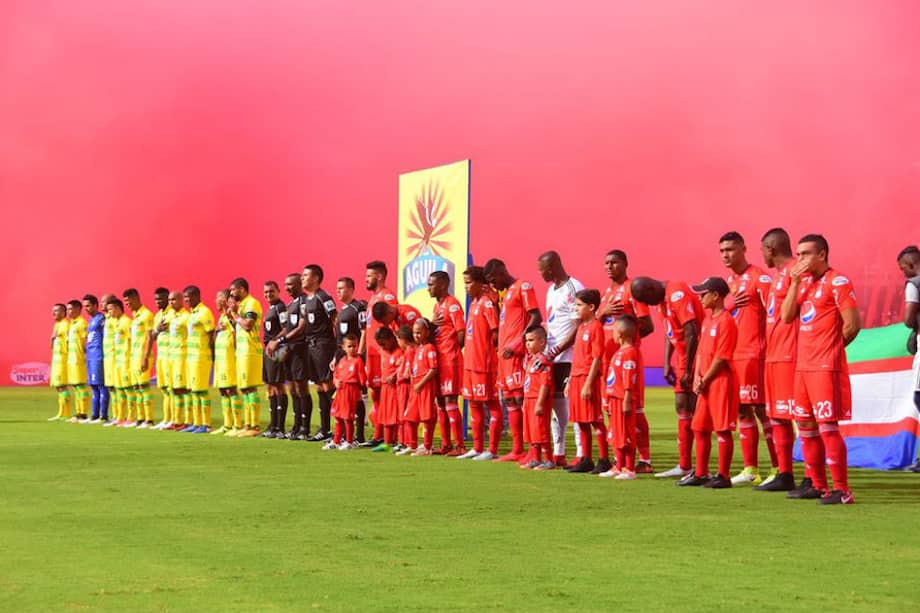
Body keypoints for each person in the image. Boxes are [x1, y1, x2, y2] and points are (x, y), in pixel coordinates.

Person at [781, 234, 861, 505]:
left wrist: (833, 351)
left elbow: (852, 324)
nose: (799, 259)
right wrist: (793, 282)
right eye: (798, 254)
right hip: (803, 367)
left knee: (828, 426)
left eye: (805, 254)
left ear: (822, 255)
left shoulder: (837, 281)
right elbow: (786, 315)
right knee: (805, 425)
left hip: (825, 367)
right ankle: (818, 485)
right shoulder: (804, 284)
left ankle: (842, 490)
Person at [717, 232, 777, 485]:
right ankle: (751, 468)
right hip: (735, 356)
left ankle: (778, 468)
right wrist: (727, 305)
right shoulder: (730, 282)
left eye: (730, 249)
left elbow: (775, 316)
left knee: (764, 411)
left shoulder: (760, 278)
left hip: (755, 354)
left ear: (744, 248)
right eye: (722, 251)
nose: (726, 255)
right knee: (742, 410)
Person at [631, 276, 703, 479]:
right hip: (682, 359)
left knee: (699, 409)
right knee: (682, 406)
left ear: (652, 288)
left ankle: (700, 467)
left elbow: (691, 331)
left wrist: (689, 369)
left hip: (697, 357)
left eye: (647, 299)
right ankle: (685, 465)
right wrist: (666, 362)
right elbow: (669, 330)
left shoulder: (677, 293)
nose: (648, 304)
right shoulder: (662, 300)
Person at [679, 277, 739, 489]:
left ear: (716, 296)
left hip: (720, 381)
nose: (700, 298)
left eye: (704, 294)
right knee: (699, 427)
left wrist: (705, 379)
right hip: (704, 382)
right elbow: (702, 353)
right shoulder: (707, 321)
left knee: (722, 429)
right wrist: (697, 377)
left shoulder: (726, 321)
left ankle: (723, 475)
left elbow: (722, 357)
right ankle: (702, 472)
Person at [754, 228, 802, 491]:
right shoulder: (778, 277)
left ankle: (810, 477)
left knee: (800, 416)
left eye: (762, 250)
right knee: (777, 415)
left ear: (771, 249)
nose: (762, 255)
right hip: (774, 355)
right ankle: (785, 473)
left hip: (790, 355)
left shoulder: (797, 271)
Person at [598, 249, 655, 472]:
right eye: (606, 263)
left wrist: (628, 345)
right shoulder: (607, 294)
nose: (609, 267)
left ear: (625, 264)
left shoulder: (633, 289)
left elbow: (647, 325)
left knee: (634, 411)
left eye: (614, 262)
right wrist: (602, 313)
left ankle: (644, 460)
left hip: (627, 363)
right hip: (607, 362)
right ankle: (619, 458)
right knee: (612, 410)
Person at [484, 258, 542, 463]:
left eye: (493, 279)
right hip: (504, 356)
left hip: (517, 355)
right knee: (509, 400)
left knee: (521, 399)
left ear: (502, 271)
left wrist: (518, 344)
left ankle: (534, 450)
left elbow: (536, 317)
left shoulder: (522, 287)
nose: (493, 284)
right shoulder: (504, 294)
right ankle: (517, 449)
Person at [536, 250, 585, 466]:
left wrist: (557, 350)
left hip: (569, 356)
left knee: (572, 405)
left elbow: (578, 325)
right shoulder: (550, 290)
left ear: (554, 266)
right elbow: (553, 322)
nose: (541, 274)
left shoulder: (574, 287)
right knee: (556, 405)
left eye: (543, 270)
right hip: (552, 356)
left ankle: (581, 452)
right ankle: (559, 452)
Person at [565, 289, 611, 474]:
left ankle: (604, 458)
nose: (576, 308)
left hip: (586, 378)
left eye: (579, 305)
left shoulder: (595, 327)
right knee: (580, 420)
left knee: (595, 419)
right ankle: (586, 459)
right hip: (576, 377)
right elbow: (577, 356)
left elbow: (597, 358)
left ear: (591, 307)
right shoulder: (582, 327)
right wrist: (569, 381)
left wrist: (588, 384)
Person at [457, 266, 500, 460]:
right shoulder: (474, 303)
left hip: (484, 364)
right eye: (464, 283)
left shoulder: (487, 304)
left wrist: (492, 356)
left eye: (468, 282)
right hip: (470, 363)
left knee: (491, 404)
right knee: (473, 404)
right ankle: (477, 447)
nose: (465, 287)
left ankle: (491, 450)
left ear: (480, 284)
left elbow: (496, 333)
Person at [427, 271, 466, 455]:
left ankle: (459, 445)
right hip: (439, 359)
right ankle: (445, 444)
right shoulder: (438, 307)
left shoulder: (452, 305)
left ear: (443, 284)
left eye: (432, 284)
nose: (429, 288)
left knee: (450, 400)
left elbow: (461, 333)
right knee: (440, 401)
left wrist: (451, 349)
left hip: (450, 359)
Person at [359, 261, 398, 447]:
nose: (366, 279)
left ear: (380, 276)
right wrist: (361, 353)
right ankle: (379, 433)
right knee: (376, 394)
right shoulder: (373, 299)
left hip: (383, 355)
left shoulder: (387, 296)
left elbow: (393, 322)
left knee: (385, 394)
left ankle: (386, 435)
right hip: (373, 354)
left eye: (369, 276)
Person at [267, 273, 310, 439]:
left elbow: (301, 326)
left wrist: (280, 340)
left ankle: (305, 428)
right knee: (292, 389)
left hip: (300, 349)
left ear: (300, 283)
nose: (287, 288)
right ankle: (296, 426)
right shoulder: (291, 304)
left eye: (290, 284)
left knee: (302, 388)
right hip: (289, 351)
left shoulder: (304, 301)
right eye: (285, 284)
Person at [300, 264, 339, 441]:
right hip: (311, 346)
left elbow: (335, 320)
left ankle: (341, 428)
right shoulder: (307, 300)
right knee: (319, 387)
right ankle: (325, 430)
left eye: (306, 275)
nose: (302, 278)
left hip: (324, 345)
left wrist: (339, 347)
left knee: (328, 385)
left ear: (316, 278)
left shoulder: (324, 297)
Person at [602, 316, 643, 480]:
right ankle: (618, 466)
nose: (611, 333)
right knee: (616, 434)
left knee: (626, 434)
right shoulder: (619, 352)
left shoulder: (630, 353)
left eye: (613, 330)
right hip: (614, 399)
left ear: (620, 333)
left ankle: (629, 468)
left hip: (622, 400)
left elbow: (629, 377)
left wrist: (627, 398)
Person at [229, 277, 264, 437]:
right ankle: (248, 424)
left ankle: (254, 426)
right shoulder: (241, 306)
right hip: (242, 352)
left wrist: (235, 314)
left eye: (233, 290)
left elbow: (248, 325)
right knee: (244, 389)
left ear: (241, 289)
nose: (231, 293)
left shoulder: (252, 304)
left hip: (251, 351)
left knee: (250, 388)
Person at [335, 276, 368, 443]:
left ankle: (359, 435)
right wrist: (337, 358)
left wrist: (359, 355)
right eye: (337, 288)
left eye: (341, 288)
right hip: (344, 358)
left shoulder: (358, 308)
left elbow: (364, 331)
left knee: (358, 396)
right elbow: (340, 339)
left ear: (350, 289)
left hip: (356, 358)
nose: (338, 291)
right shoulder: (343, 310)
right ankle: (342, 435)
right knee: (343, 396)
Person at [897, 245, 920, 472]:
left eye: (903, 268)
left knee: (919, 397)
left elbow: (908, 318)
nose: (902, 273)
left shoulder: (914, 285)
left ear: (911, 264)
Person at [522, 325, 555, 470]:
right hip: (529, 400)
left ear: (542, 342)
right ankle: (536, 458)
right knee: (531, 431)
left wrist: (540, 403)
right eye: (526, 341)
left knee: (541, 430)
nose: (527, 344)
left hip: (538, 400)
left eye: (531, 340)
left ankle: (549, 460)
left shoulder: (543, 360)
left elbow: (544, 384)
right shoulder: (531, 360)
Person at [183, 285, 215, 433]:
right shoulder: (191, 314)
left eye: (188, 297)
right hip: (191, 357)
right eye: (185, 298)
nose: (186, 300)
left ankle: (206, 424)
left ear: (196, 296)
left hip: (201, 357)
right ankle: (196, 423)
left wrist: (212, 355)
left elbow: (211, 335)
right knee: (193, 391)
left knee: (201, 391)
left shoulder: (205, 312)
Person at [257, 280, 287, 438]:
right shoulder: (271, 308)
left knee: (278, 387)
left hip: (277, 351)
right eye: (266, 292)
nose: (268, 294)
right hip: (268, 351)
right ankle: (273, 424)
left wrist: (276, 342)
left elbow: (285, 328)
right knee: (270, 388)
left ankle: (280, 427)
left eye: (271, 291)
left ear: (278, 291)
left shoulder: (281, 307)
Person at [329, 333, 366, 450]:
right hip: (341, 391)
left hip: (351, 391)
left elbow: (363, 379)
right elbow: (335, 374)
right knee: (338, 416)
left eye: (355, 346)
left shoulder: (358, 361)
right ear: (344, 347)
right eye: (350, 346)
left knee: (348, 417)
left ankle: (349, 441)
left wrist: (358, 388)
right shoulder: (342, 360)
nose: (353, 348)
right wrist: (336, 381)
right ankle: (336, 441)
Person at [408, 319, 440, 456]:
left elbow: (433, 369)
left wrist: (421, 383)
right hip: (416, 387)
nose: (416, 336)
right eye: (414, 333)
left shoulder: (430, 348)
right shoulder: (418, 348)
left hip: (425, 387)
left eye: (419, 333)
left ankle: (427, 447)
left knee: (426, 417)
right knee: (411, 416)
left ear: (426, 333)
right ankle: (413, 444)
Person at [124, 288, 154, 428]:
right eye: (125, 302)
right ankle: (140, 418)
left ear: (135, 298)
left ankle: (149, 419)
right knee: (136, 388)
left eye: (128, 301)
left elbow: (149, 337)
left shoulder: (147, 315)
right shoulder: (134, 317)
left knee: (143, 387)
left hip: (142, 356)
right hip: (133, 357)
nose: (127, 304)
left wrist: (146, 357)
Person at [146, 288, 174, 430]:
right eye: (156, 299)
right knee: (163, 389)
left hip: (171, 356)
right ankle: (166, 419)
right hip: (161, 356)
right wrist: (157, 329)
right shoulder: (157, 316)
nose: (158, 302)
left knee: (171, 389)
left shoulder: (172, 314)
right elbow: (153, 336)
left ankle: (174, 419)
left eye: (161, 299)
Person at [211, 290, 239, 435]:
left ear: (226, 299)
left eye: (218, 297)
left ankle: (238, 425)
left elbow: (237, 332)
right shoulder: (222, 317)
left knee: (231, 389)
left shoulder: (230, 315)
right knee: (223, 391)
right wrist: (216, 330)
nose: (216, 300)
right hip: (220, 359)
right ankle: (227, 424)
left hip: (229, 358)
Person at [372, 327, 403, 452]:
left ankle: (400, 441)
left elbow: (405, 365)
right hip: (385, 386)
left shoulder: (400, 351)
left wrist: (395, 375)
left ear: (391, 339)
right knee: (385, 415)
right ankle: (387, 442)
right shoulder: (383, 351)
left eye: (384, 344)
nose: (382, 347)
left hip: (396, 388)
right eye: (380, 345)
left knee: (397, 415)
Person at [165, 291, 191, 430]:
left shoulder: (186, 317)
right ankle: (176, 420)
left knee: (183, 390)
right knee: (174, 390)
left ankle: (186, 421)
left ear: (181, 300)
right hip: (171, 357)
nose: (171, 302)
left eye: (174, 299)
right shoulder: (171, 317)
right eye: (169, 300)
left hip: (182, 356)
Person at [107, 299, 134, 427]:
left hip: (126, 361)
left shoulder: (126, 322)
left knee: (128, 390)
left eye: (111, 309)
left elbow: (133, 341)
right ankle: (120, 417)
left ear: (118, 308)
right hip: (117, 361)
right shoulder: (115, 323)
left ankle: (131, 417)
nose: (109, 312)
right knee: (118, 390)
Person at [83, 294, 108, 423]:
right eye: (84, 306)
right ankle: (94, 415)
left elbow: (106, 338)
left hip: (98, 356)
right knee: (93, 386)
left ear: (95, 305)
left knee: (101, 386)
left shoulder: (101, 319)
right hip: (91, 357)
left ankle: (103, 416)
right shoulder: (91, 321)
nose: (86, 309)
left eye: (88, 306)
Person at [392, 325, 417, 454]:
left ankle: (407, 442)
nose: (398, 343)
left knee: (406, 415)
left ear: (403, 340)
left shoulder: (411, 351)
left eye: (398, 340)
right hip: (401, 386)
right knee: (402, 414)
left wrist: (404, 373)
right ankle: (403, 441)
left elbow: (410, 370)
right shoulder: (407, 352)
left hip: (406, 387)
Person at [65, 300, 90, 422]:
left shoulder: (82, 323)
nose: (68, 311)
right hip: (71, 360)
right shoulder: (72, 324)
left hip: (79, 360)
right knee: (75, 387)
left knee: (80, 386)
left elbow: (86, 342)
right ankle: (78, 412)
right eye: (67, 309)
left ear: (78, 309)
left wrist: (86, 357)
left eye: (70, 309)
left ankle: (83, 413)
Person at [48, 303, 71, 421]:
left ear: (63, 312)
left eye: (56, 311)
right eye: (53, 311)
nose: (53, 313)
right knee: (58, 387)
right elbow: (52, 345)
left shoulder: (66, 325)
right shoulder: (57, 325)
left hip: (63, 360)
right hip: (56, 360)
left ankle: (66, 413)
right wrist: (52, 338)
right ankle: (61, 413)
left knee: (62, 386)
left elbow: (69, 343)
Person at [101, 293, 118, 424]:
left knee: (117, 387)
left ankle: (121, 416)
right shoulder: (106, 319)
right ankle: (116, 415)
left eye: (104, 302)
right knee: (111, 388)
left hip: (115, 357)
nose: (102, 304)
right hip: (107, 358)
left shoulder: (116, 320)